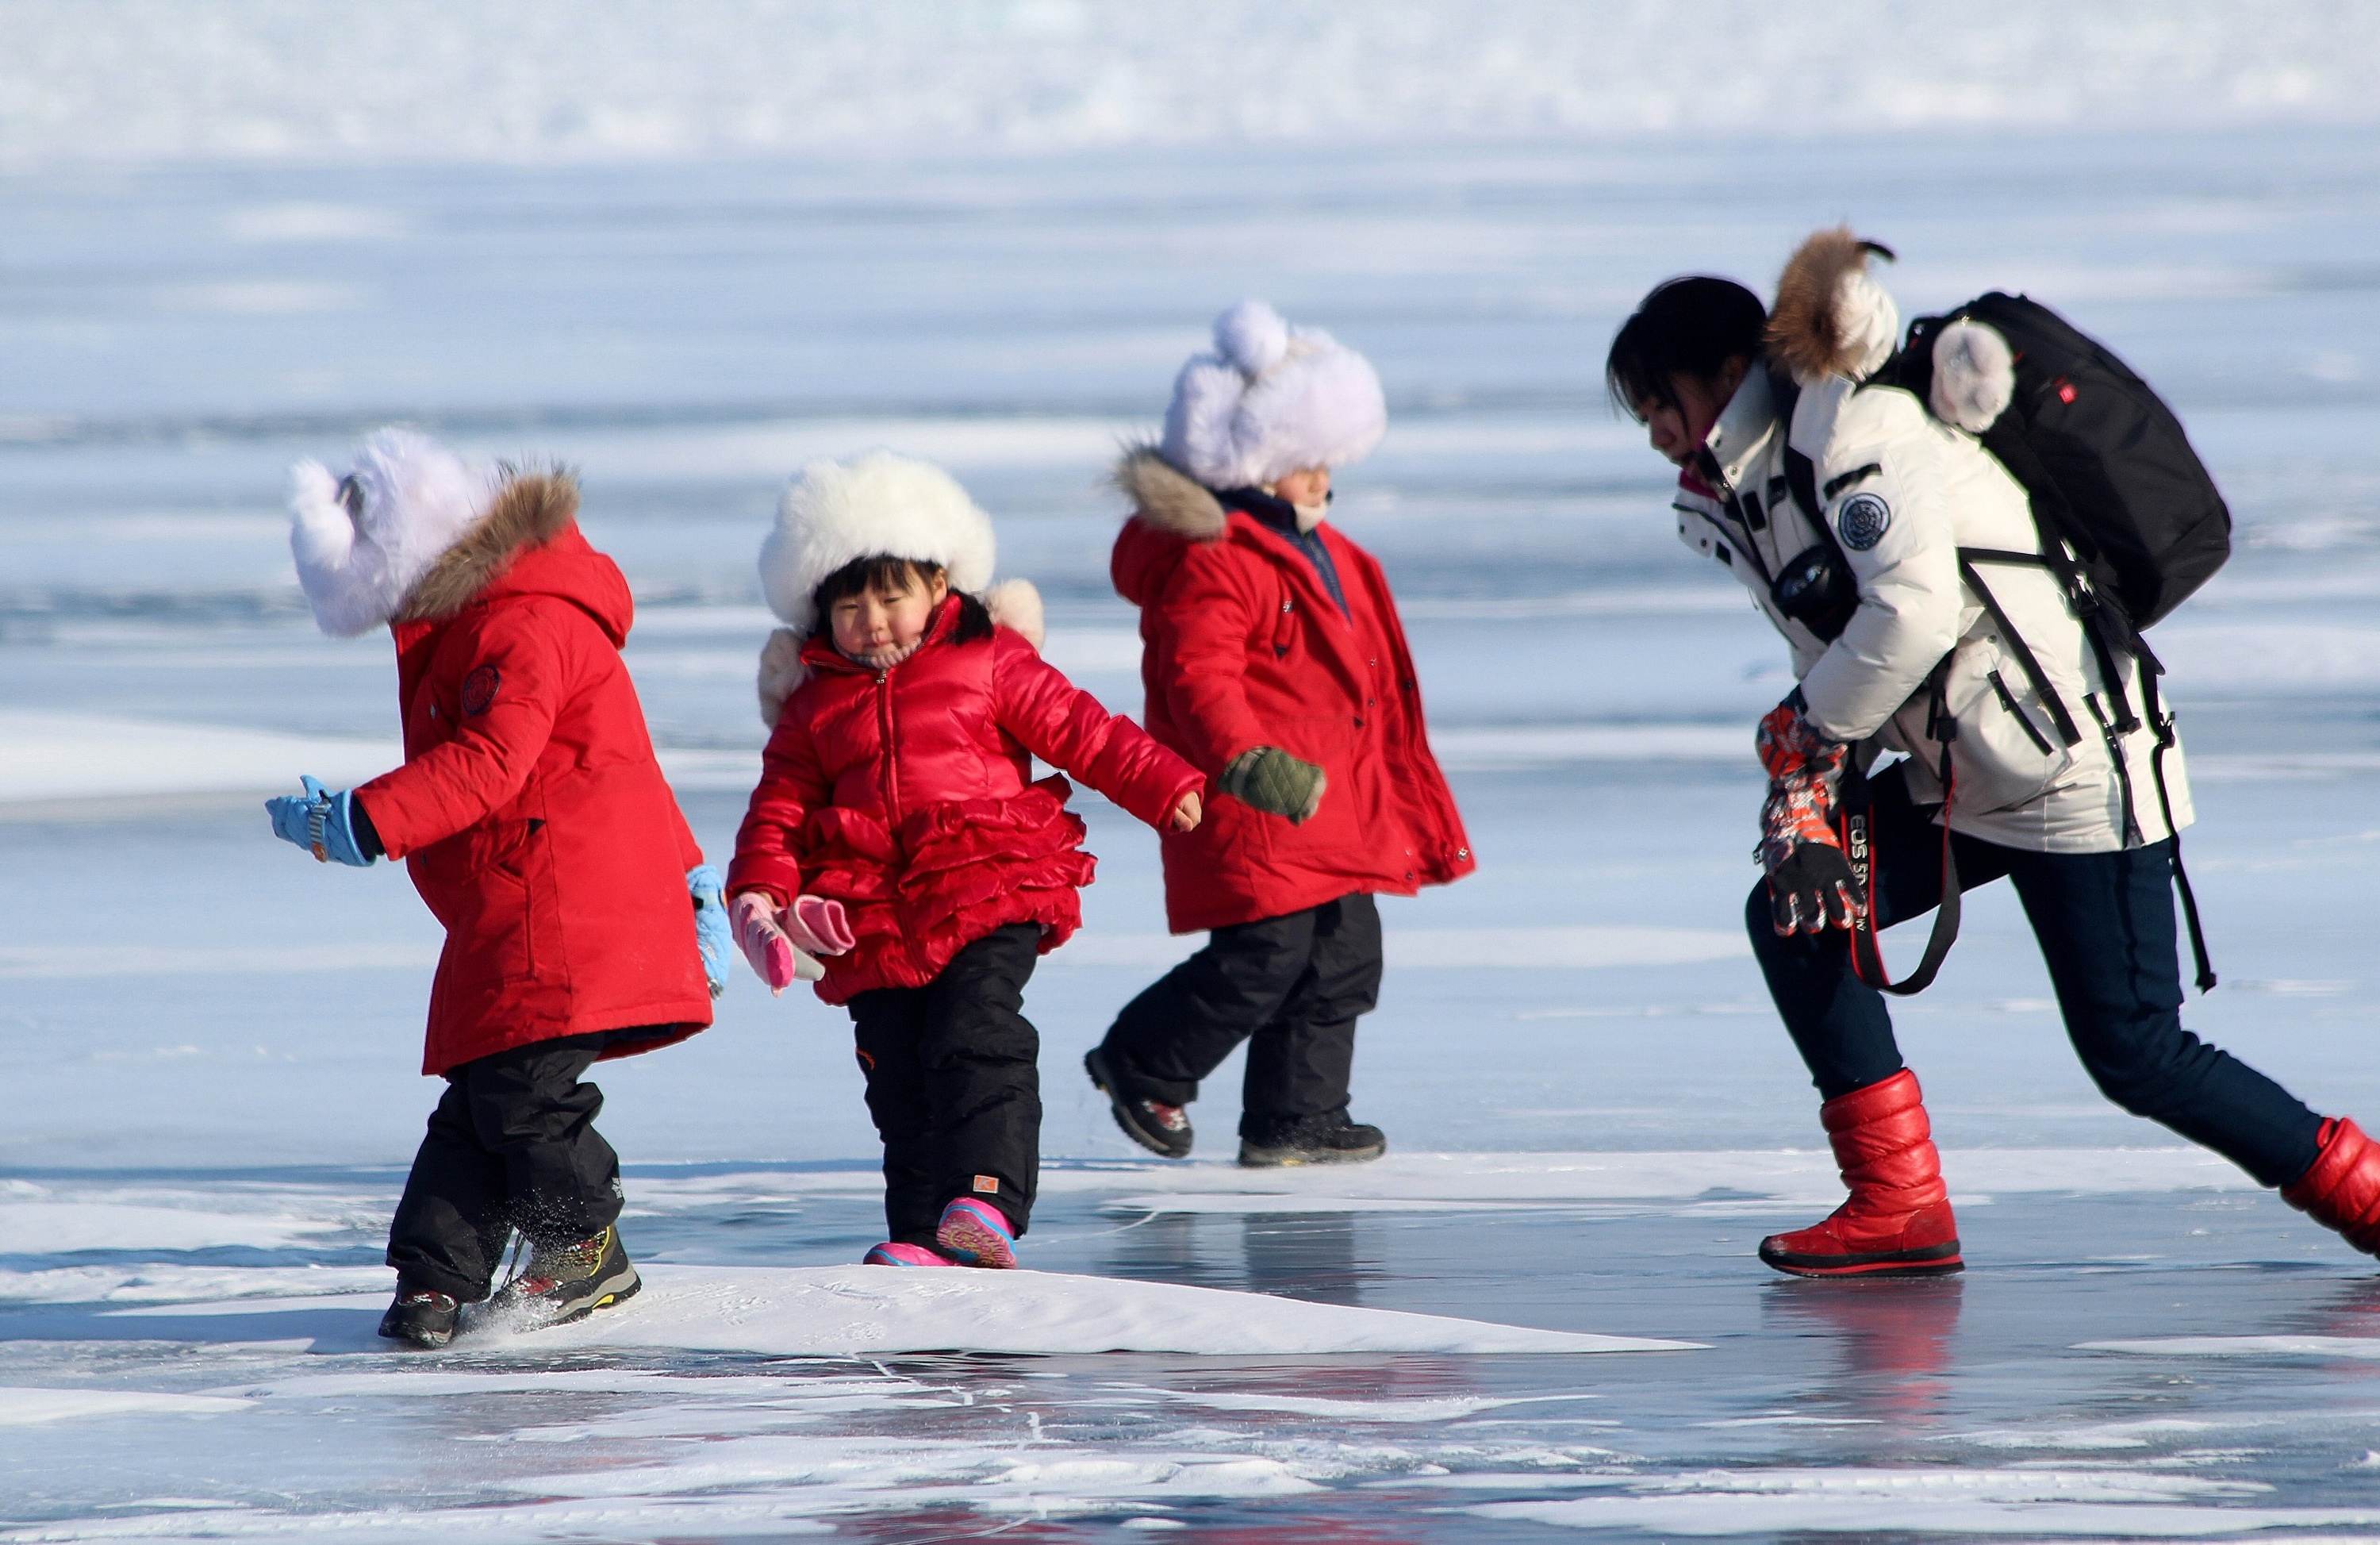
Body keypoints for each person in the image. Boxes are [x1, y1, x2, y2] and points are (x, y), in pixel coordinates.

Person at [1606, 229, 2380, 1276]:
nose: (1655, 431)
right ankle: (1897, 1199)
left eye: (1663, 400)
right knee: (1797, 912)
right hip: (1964, 776)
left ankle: (2369, 1194)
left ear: (1730, 374)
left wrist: (1803, 727)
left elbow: (1913, 612)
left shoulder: (1850, 430)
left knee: (2135, 1048)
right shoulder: (1755, 485)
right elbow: (1839, 647)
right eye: (1643, 412)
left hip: (2070, 767)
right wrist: (1813, 790)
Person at [267, 429, 727, 1347]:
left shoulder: (524, 622)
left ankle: (584, 1245)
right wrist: (689, 877)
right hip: (520, 893)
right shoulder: (480, 623)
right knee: (483, 1092)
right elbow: (615, 760)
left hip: (564, 898)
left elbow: (493, 761)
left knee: (523, 1090)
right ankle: (436, 1280)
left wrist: (362, 821)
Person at [727, 452, 1203, 1269]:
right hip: (873, 911)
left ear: (940, 586)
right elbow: (778, 812)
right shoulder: (812, 707)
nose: (872, 621)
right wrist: (759, 900)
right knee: (899, 1075)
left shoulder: (988, 660)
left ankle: (984, 1201)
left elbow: (1080, 728)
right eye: (850, 605)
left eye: (891, 596)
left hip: (984, 878)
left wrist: (1162, 784)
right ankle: (923, 1237)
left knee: (976, 1031)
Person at [1085, 301, 1475, 1169]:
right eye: (1303, 460)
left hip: (1335, 801)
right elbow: (1199, 675)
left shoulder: (1329, 551)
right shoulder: (1218, 560)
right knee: (1268, 951)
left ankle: (1295, 1115)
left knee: (1344, 954)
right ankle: (1144, 1061)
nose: (1321, 475)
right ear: (1252, 462)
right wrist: (1244, 759)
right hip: (1258, 798)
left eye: (1328, 458)